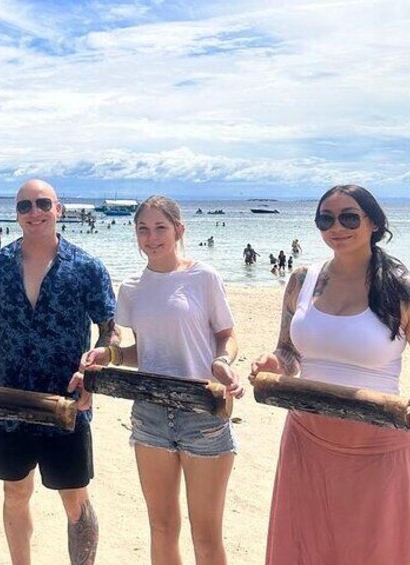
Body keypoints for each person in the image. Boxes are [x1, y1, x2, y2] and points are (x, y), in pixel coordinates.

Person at [0, 179, 118, 565]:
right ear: (17, 215)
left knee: (75, 499)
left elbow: (110, 328)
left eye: (43, 204)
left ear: (58, 209)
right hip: (8, 402)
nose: (34, 212)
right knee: (15, 492)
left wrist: (95, 368)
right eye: (25, 206)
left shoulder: (87, 268)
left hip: (67, 403)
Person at [250, 184, 410, 564]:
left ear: (373, 222)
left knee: (378, 549)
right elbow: (289, 352)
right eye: (325, 218)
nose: (336, 227)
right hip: (306, 438)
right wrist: (272, 364)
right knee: (305, 545)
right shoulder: (301, 280)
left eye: (349, 217)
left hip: (379, 444)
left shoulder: (403, 289)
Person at [78, 195, 243, 565]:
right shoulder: (132, 287)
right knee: (162, 528)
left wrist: (221, 361)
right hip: (149, 415)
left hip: (204, 414)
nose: (152, 238)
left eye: (160, 228)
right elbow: (146, 350)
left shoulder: (203, 277)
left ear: (179, 230)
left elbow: (227, 335)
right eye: (143, 230)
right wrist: (113, 355)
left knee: (206, 536)